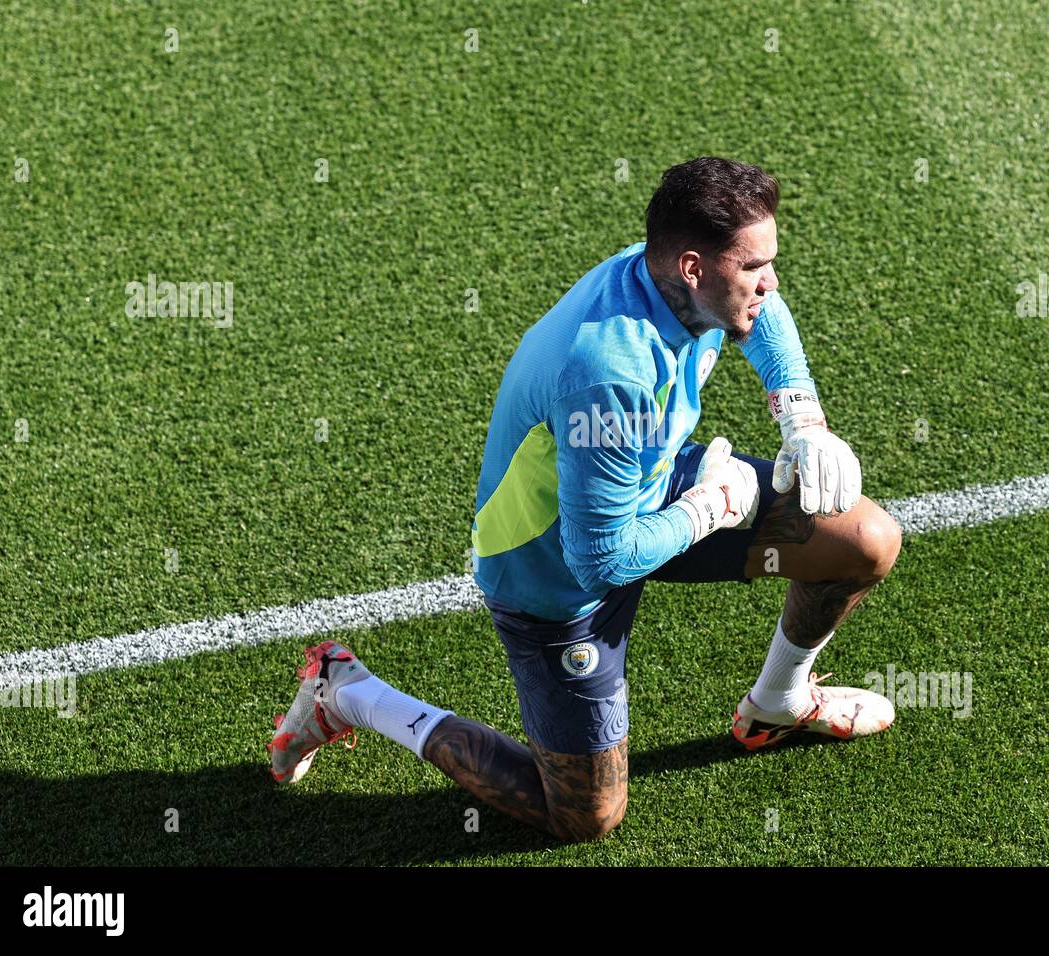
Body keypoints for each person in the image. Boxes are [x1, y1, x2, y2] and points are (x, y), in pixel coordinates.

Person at [268, 156, 903, 843]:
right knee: (584, 816)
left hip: (647, 482)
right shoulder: (608, 375)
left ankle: (778, 701)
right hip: (554, 569)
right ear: (693, 267)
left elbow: (767, 313)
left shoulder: (670, 277)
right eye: (754, 267)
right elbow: (600, 558)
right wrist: (714, 507)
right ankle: (348, 692)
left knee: (866, 541)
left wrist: (801, 417)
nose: (770, 281)